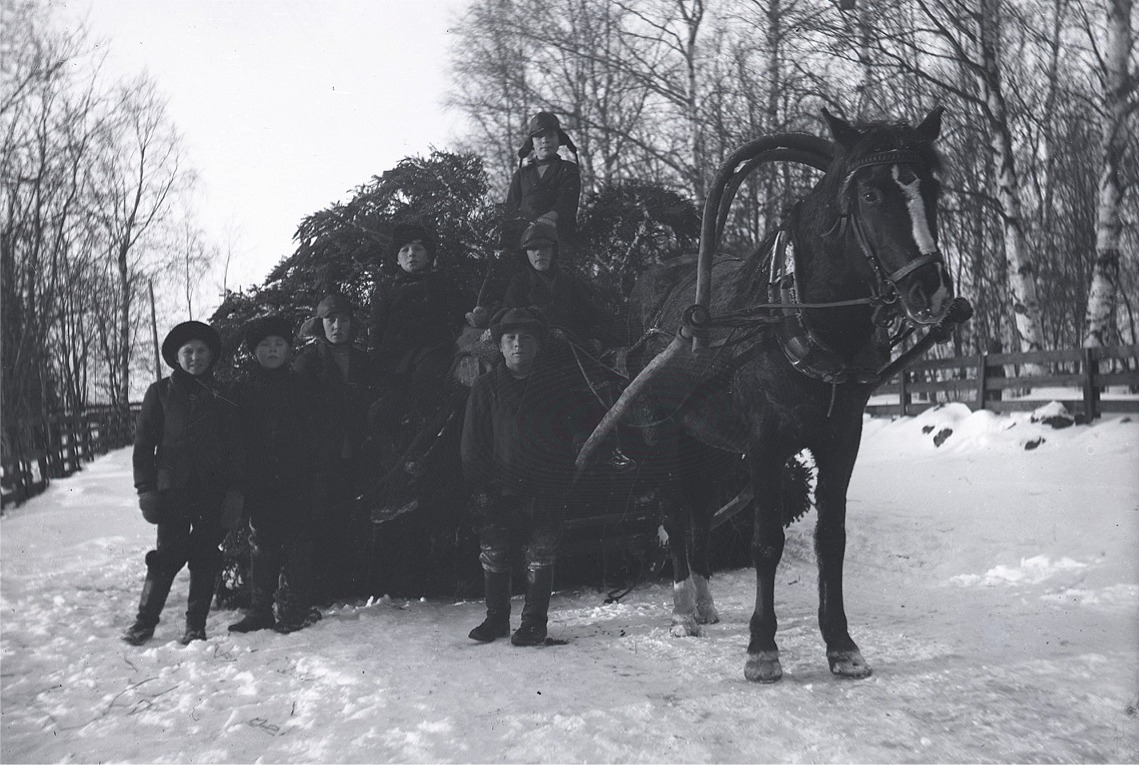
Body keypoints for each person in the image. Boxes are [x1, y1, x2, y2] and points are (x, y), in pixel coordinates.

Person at [460, 307, 590, 646]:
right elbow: (472, 444)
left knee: (540, 553)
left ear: (538, 345)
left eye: (527, 338)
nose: (519, 345)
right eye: (511, 339)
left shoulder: (557, 386)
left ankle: (534, 623)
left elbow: (576, 429)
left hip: (545, 486)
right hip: (498, 487)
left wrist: (569, 461)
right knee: (495, 552)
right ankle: (496, 619)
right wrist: (481, 489)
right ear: (500, 348)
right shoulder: (486, 388)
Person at [123, 320, 243, 646]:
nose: (195, 357)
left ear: (211, 355)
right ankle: (144, 622)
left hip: (212, 491)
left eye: (202, 351)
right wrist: (145, 489)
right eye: (187, 351)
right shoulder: (160, 393)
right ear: (176, 356)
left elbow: (235, 449)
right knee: (167, 556)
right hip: (172, 490)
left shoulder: (223, 394)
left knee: (204, 555)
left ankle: (195, 627)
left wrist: (234, 493)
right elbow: (144, 446)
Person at [228, 316, 321, 635]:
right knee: (262, 545)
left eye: (278, 344)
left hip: (297, 480)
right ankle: (260, 610)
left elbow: (314, 434)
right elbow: (235, 440)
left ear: (288, 349)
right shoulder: (241, 390)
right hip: (261, 483)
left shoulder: (301, 385)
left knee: (298, 544)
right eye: (265, 345)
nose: (272, 351)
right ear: (255, 351)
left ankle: (295, 608)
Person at [293, 293, 378, 602]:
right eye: (331, 320)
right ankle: (319, 588)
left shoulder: (362, 361)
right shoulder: (307, 363)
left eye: (343, 320)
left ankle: (348, 585)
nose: (337, 326)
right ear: (320, 325)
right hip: (320, 456)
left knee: (349, 519)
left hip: (354, 453)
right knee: (319, 519)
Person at [469, 111, 581, 329]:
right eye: (539, 137)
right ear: (532, 143)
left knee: (560, 285)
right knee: (507, 277)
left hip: (557, 240)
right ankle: (488, 315)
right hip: (524, 242)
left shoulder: (567, 170)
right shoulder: (522, 175)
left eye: (550, 136)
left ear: (559, 140)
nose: (545, 141)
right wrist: (504, 242)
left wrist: (550, 218)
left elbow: (567, 202)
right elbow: (510, 210)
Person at [369, 222, 467, 421]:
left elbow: (460, 314)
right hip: (395, 357)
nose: (411, 254)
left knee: (426, 389)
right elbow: (376, 326)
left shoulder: (443, 282)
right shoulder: (387, 289)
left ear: (428, 256)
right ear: (397, 259)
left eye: (418, 249)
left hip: (434, 351)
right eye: (404, 250)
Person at [502, 219, 600, 347]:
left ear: (554, 250)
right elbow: (510, 320)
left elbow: (589, 314)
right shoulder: (520, 282)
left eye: (545, 247)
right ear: (525, 254)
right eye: (532, 248)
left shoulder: (568, 279)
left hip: (571, 346)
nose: (539, 253)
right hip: (534, 349)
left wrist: (594, 339)